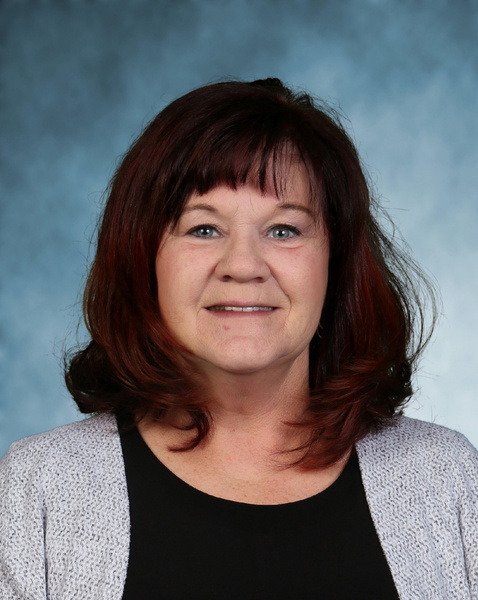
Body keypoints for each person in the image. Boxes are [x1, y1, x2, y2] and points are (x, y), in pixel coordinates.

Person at [0, 78, 477, 600]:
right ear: (144, 257)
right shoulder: (38, 491)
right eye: (204, 229)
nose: (243, 267)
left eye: (284, 230)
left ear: (334, 262)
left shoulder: (447, 481)